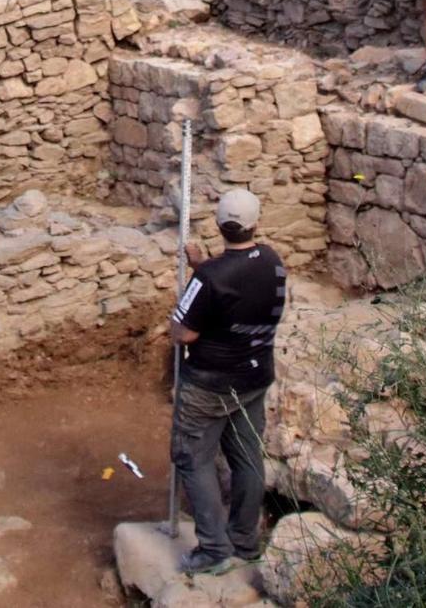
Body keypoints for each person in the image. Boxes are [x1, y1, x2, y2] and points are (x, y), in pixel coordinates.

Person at [168, 188, 289, 577]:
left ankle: (214, 550)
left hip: (209, 383)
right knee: (246, 456)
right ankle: (244, 543)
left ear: (220, 225)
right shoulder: (271, 260)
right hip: (253, 376)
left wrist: (199, 275)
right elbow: (234, 283)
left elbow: (183, 333)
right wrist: (204, 266)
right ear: (255, 223)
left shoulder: (209, 278)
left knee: (193, 456)